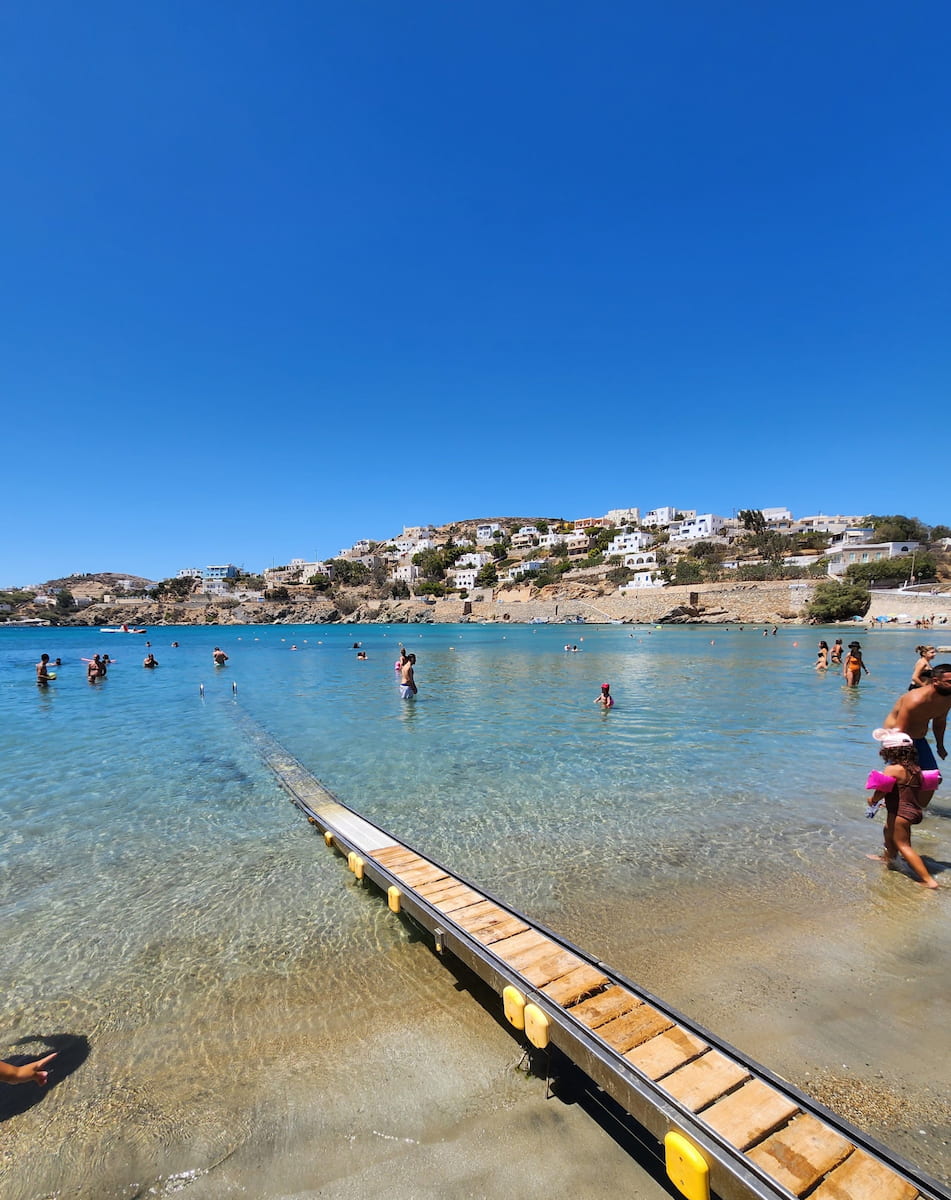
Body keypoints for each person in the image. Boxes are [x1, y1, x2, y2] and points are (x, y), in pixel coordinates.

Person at [865, 729, 938, 888]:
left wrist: (873, 800)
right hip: (910, 810)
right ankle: (889, 858)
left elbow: (882, 790)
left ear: (890, 752)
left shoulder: (893, 769)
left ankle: (928, 880)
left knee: (903, 845)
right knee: (888, 830)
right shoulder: (915, 769)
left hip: (900, 813)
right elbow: (904, 791)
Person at [882, 662, 950, 812]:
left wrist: (940, 745)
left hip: (919, 738)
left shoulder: (947, 698)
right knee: (901, 776)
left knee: (933, 778)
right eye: (949, 682)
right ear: (936, 681)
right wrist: (899, 756)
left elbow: (939, 722)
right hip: (897, 737)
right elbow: (900, 729)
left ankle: (917, 811)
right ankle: (885, 804)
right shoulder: (915, 699)